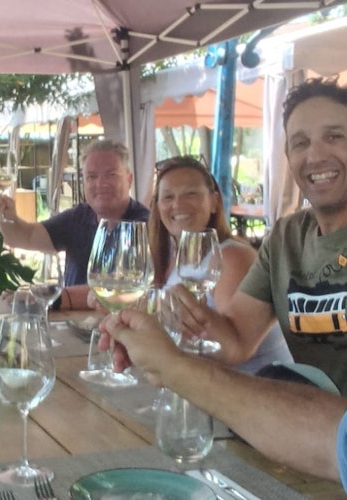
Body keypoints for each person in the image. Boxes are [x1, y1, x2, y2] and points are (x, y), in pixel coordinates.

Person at [167, 77, 347, 396]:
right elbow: (236, 342)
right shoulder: (285, 238)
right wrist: (161, 319)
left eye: (334, 136)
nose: (316, 155)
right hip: (308, 417)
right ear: (288, 156)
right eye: (300, 142)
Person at [102, 309, 347, 490]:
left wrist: (171, 366)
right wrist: (170, 364)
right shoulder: (279, 253)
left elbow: (233, 346)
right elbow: (336, 442)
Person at [149, 155, 292, 373]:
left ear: (215, 201)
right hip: (202, 380)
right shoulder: (169, 258)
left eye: (191, 194)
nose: (178, 204)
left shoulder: (233, 257)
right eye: (168, 197)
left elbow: (231, 349)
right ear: (158, 207)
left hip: (258, 384)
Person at [0, 138, 149, 310]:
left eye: (111, 175)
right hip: (71, 321)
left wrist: (52, 297)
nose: (100, 184)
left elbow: (125, 290)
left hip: (120, 323)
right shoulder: (79, 216)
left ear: (129, 179)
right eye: (92, 176)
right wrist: (5, 216)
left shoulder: (144, 225)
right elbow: (27, 237)